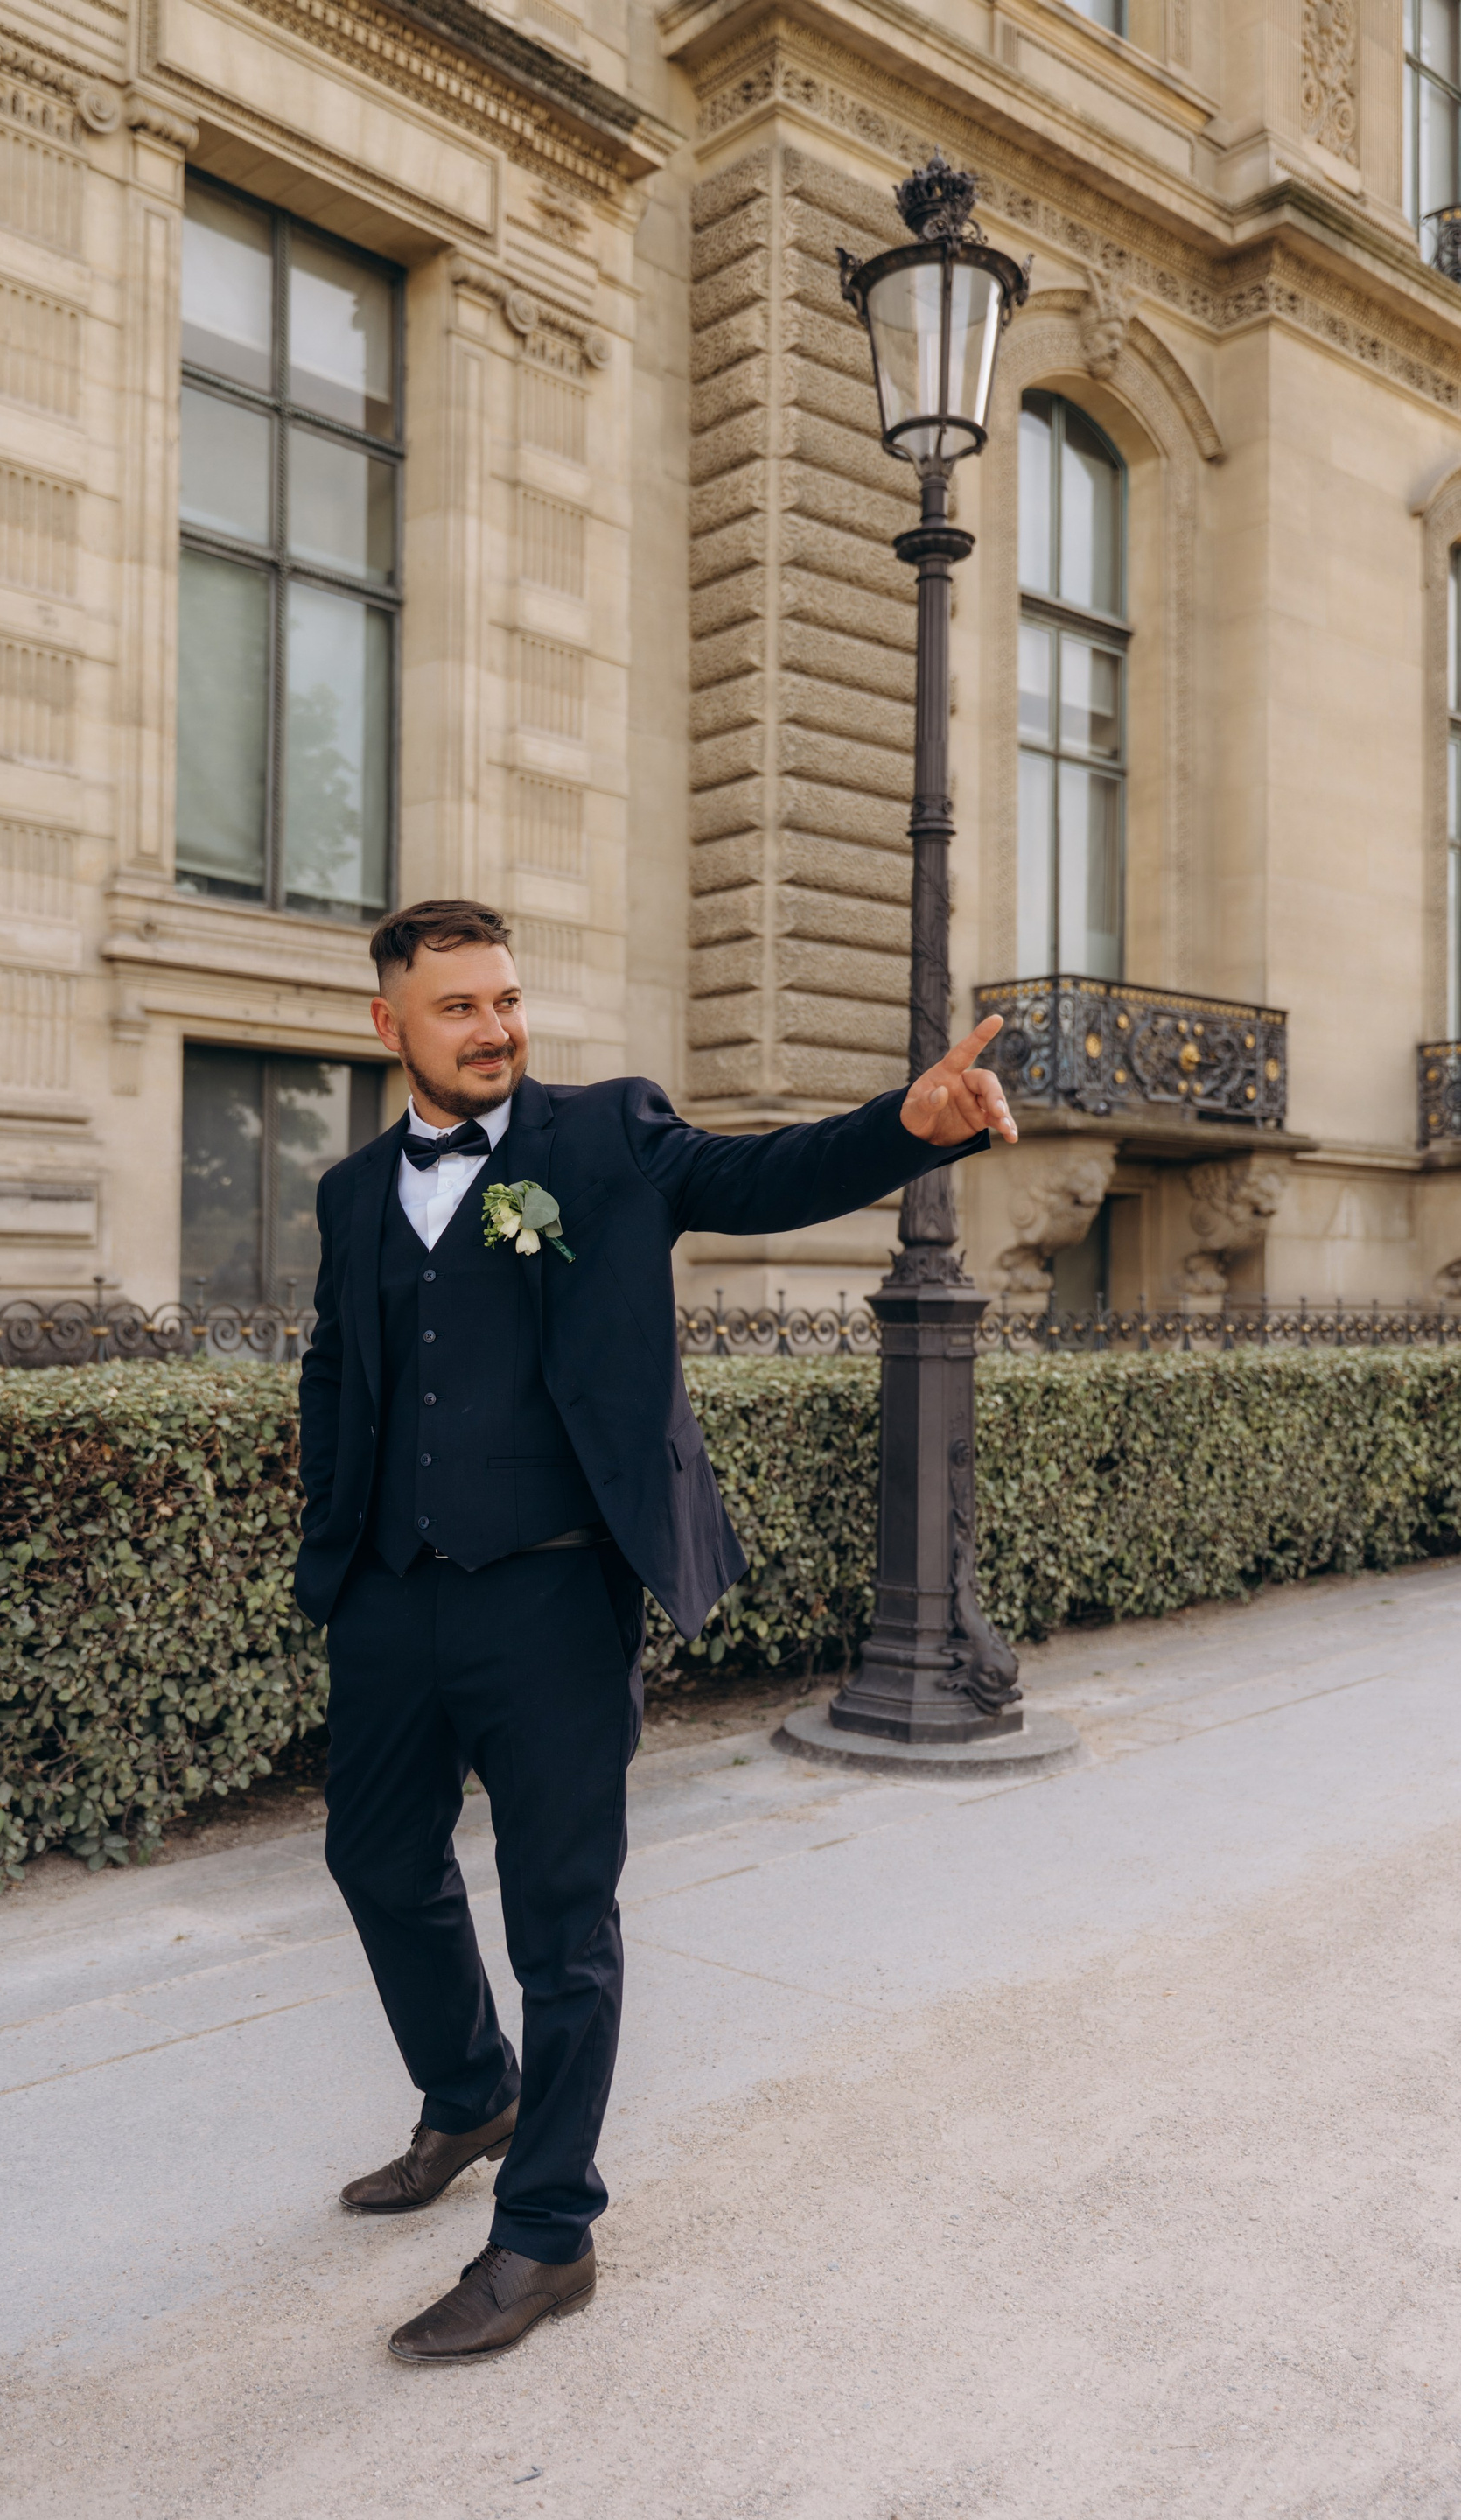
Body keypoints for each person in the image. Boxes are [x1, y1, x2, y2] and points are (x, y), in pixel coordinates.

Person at [296, 897, 1016, 2364]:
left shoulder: (605, 1135)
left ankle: (547, 2234)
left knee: (562, 1922)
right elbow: (336, 1370)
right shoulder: (353, 1190)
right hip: (390, 1592)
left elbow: (762, 1176)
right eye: (458, 1006)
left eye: (506, 999)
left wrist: (908, 1127)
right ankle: (470, 2094)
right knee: (374, 1859)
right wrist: (335, 1551)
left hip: (556, 1597)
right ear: (390, 1026)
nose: (494, 1028)